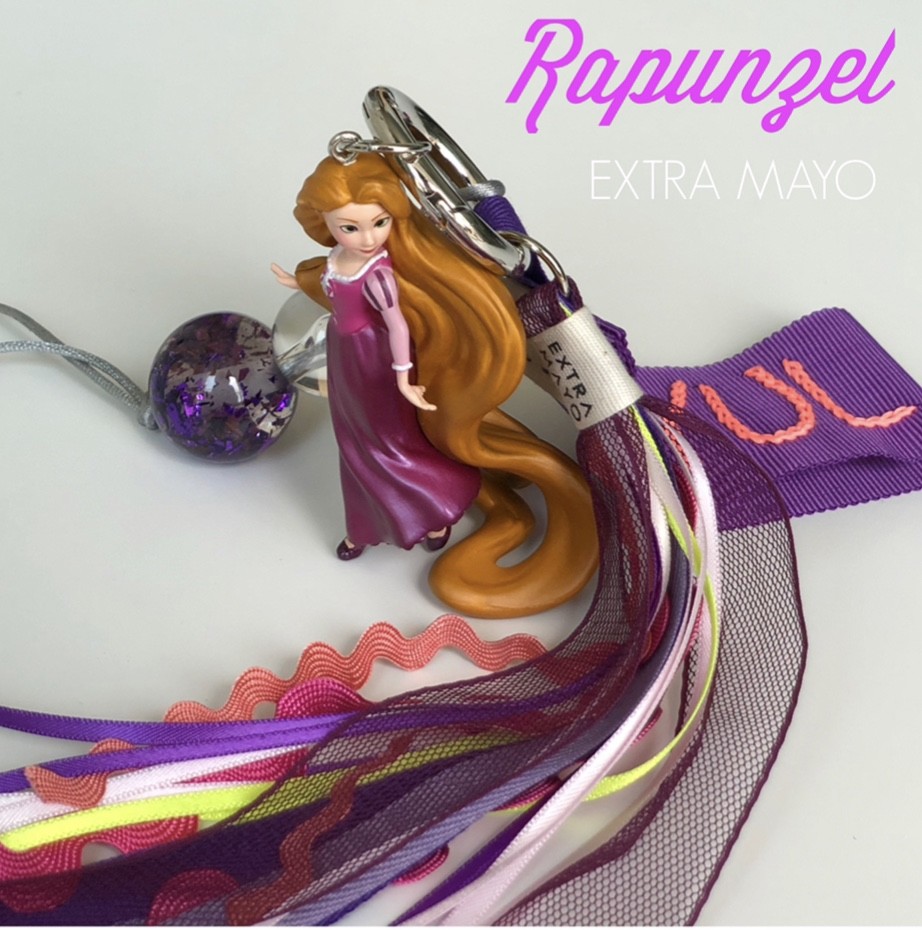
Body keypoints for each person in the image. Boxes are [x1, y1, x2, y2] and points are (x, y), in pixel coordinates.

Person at [273, 153, 597, 618]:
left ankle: (435, 513)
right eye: (350, 228)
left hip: (379, 363)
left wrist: (405, 379)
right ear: (323, 224)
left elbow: (397, 326)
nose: (368, 237)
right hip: (346, 362)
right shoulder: (335, 262)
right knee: (354, 445)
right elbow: (331, 288)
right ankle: (363, 528)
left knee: (390, 444)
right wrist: (295, 280)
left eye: (379, 223)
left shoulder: (379, 274)